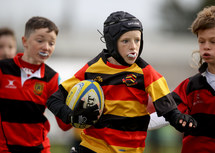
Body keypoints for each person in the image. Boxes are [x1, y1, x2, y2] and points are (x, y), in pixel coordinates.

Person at [47, 11, 197, 153]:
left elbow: (168, 108)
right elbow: (54, 99)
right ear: (112, 43)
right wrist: (70, 116)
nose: (133, 46)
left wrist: (178, 119)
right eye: (126, 40)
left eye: (137, 40)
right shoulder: (92, 69)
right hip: (93, 147)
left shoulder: (146, 73)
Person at [0, 16, 72, 153]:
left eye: (51, 43)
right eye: (40, 41)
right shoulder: (3, 69)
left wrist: (78, 113)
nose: (46, 47)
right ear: (24, 41)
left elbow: (63, 124)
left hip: (39, 149)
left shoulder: (52, 78)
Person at [169, 3, 215, 153]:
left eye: (213, 41)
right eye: (201, 41)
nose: (206, 46)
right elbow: (164, 114)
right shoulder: (189, 86)